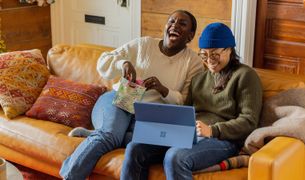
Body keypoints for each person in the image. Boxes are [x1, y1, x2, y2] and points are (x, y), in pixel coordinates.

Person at [59, 10, 203, 180]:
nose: (175, 26)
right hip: (121, 97)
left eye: (182, 24)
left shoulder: (194, 62)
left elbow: (185, 103)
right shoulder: (144, 44)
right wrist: (123, 63)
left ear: (190, 36)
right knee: (110, 136)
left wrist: (163, 90)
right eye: (171, 21)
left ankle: (94, 134)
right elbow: (103, 62)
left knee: (151, 140)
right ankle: (69, 175)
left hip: (150, 115)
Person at [121, 22, 263, 180]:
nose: (209, 60)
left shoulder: (246, 75)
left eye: (215, 54)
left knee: (175, 157)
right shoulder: (198, 79)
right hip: (189, 134)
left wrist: (213, 130)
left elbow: (249, 121)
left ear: (229, 49)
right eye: (204, 55)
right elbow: (186, 112)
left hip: (222, 139)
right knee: (135, 148)